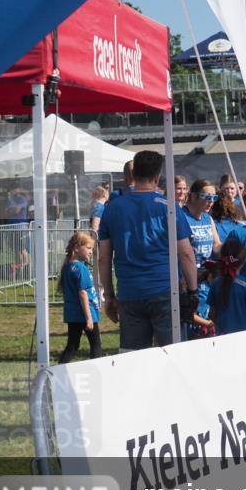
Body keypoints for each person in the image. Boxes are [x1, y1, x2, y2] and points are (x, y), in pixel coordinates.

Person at [97, 150, 198, 351]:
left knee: (133, 357)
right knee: (173, 355)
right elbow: (186, 253)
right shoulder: (169, 207)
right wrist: (193, 291)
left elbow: (103, 258)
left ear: (133, 175)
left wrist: (109, 296)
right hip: (165, 291)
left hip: (129, 292)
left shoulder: (112, 207)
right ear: (157, 177)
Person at [57, 231, 102, 363]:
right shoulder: (81, 269)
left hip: (73, 314)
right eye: (88, 248)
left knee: (72, 346)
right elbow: (82, 293)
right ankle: (97, 369)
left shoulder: (68, 267)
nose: (91, 252)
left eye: (92, 249)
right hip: (86, 313)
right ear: (76, 248)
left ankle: (59, 369)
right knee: (96, 345)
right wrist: (89, 317)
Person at [183, 179, 222, 328]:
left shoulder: (208, 218)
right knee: (189, 322)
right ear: (193, 196)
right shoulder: (181, 217)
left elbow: (216, 246)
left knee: (203, 321)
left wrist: (232, 246)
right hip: (186, 281)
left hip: (205, 279)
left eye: (214, 197)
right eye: (207, 197)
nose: (211, 202)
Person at [208, 239, 246, 335]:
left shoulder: (216, 284)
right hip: (245, 337)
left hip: (222, 337)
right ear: (244, 261)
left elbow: (212, 313)